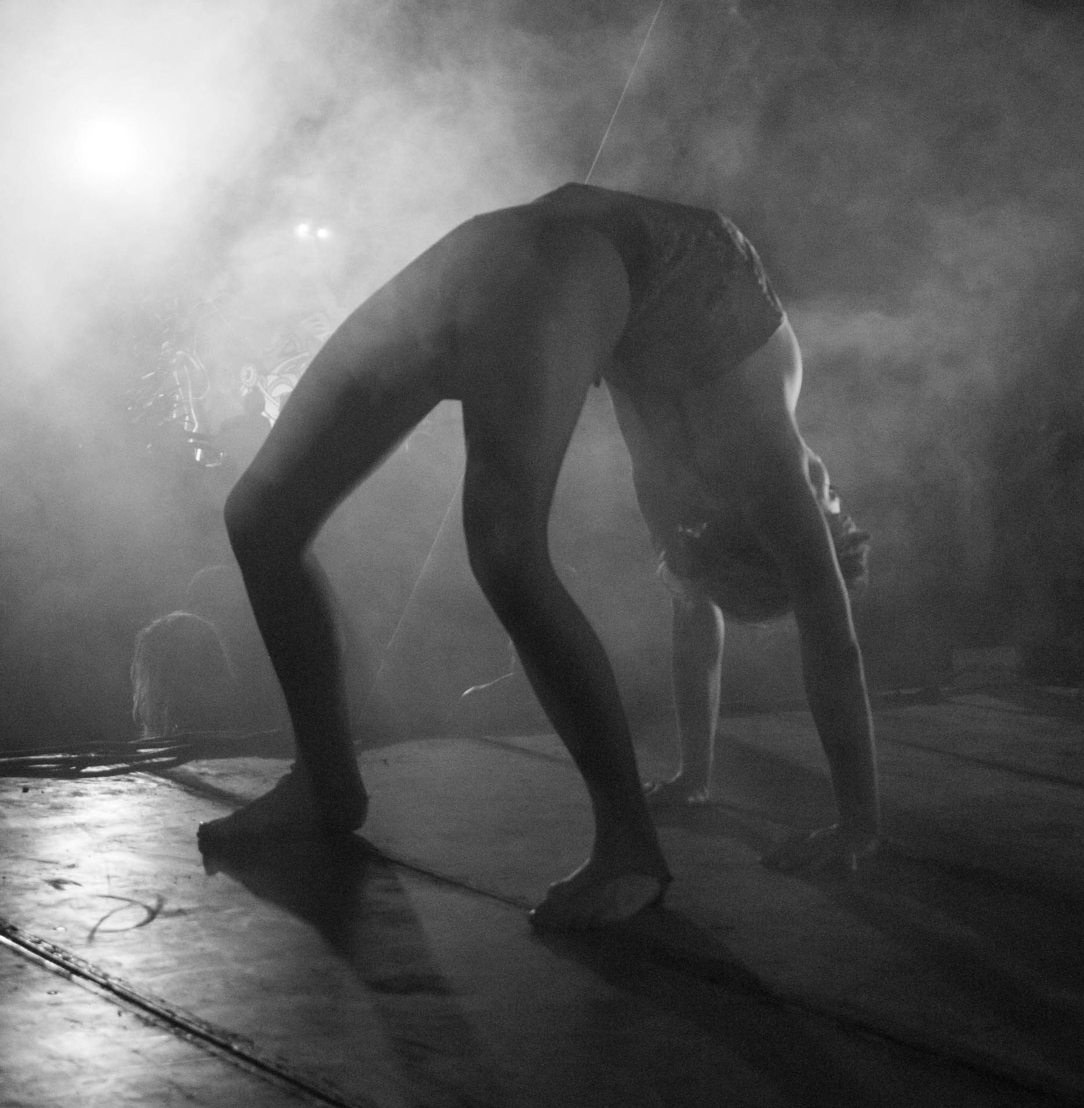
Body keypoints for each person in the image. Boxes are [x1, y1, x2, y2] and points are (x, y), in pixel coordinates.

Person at [197, 182, 880, 929]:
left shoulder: (745, 476)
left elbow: (764, 621)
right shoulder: (759, 447)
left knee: (504, 555)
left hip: (542, 268)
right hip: (527, 251)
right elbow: (799, 621)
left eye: (838, 521)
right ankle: (325, 781)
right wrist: (833, 814)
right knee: (261, 517)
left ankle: (629, 851)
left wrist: (800, 809)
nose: (840, 505)